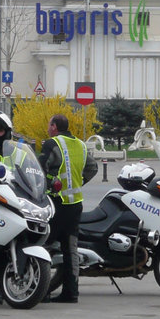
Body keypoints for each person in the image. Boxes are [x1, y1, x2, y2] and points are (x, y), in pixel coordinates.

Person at [38, 114, 97, 303]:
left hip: (56, 204)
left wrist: (46, 185)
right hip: (75, 205)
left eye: (49, 124)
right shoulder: (80, 144)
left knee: (44, 246)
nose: (48, 128)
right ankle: (71, 293)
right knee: (71, 249)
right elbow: (93, 168)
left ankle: (41, 291)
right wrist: (79, 182)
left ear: (54, 126)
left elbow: (40, 170)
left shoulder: (51, 144)